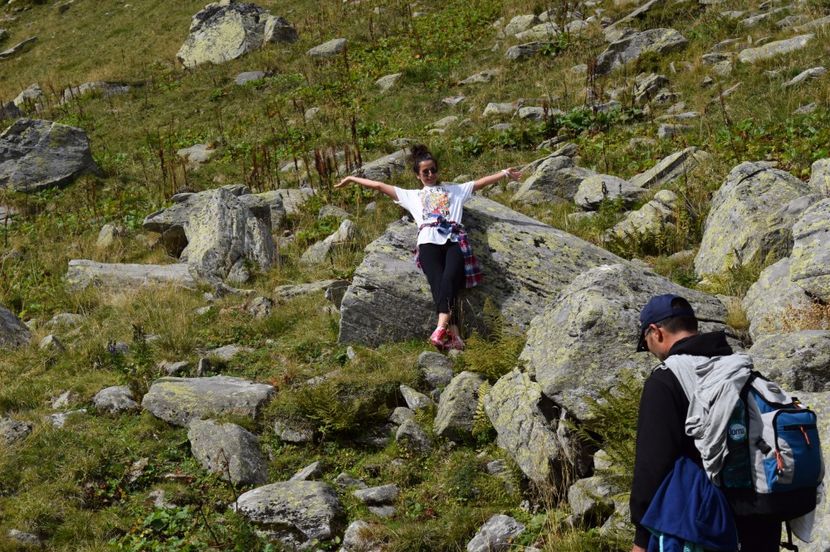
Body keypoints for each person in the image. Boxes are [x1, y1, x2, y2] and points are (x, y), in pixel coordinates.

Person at [630, 294, 782, 552]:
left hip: (704, 527)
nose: (651, 352)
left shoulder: (665, 380)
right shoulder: (740, 369)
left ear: (655, 332)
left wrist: (641, 537)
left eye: (646, 343)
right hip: (763, 520)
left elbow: (653, 466)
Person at [336, 145, 521, 350]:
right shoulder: (412, 196)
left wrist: (504, 173)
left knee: (450, 281)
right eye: (425, 172)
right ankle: (455, 337)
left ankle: (440, 329)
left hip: (454, 240)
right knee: (440, 287)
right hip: (427, 242)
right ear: (418, 175)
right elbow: (379, 186)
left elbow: (480, 183)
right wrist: (352, 179)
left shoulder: (455, 191)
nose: (430, 174)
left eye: (433, 170)